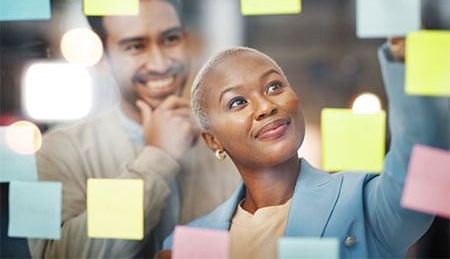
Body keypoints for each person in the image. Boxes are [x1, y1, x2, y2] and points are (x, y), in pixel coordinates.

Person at [160, 41, 450, 258]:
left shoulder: (361, 202)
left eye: (274, 86)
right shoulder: (188, 245)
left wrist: (404, 58)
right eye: (237, 102)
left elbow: (422, 176)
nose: (266, 106)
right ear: (213, 141)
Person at [27, 0, 240, 258]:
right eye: (136, 46)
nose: (160, 62)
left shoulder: (225, 142)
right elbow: (57, 255)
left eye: (170, 39)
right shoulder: (58, 150)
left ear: (186, 40)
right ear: (103, 58)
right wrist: (158, 157)